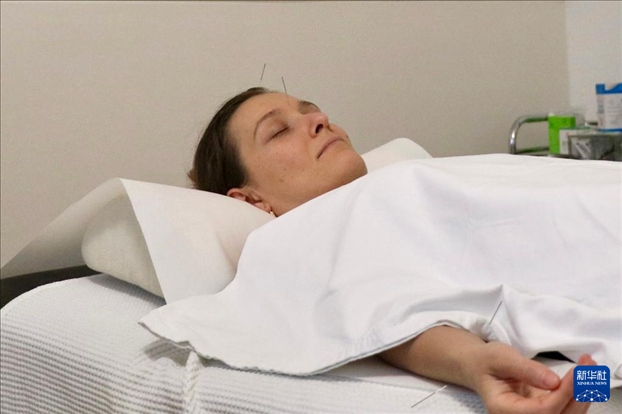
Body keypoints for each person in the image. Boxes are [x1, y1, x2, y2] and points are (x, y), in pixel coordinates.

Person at [189, 87, 596, 414]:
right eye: (279, 131)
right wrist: (474, 364)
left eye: (311, 111)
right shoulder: (300, 237)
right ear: (251, 200)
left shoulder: (393, 188)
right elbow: (379, 311)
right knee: (595, 379)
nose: (319, 119)